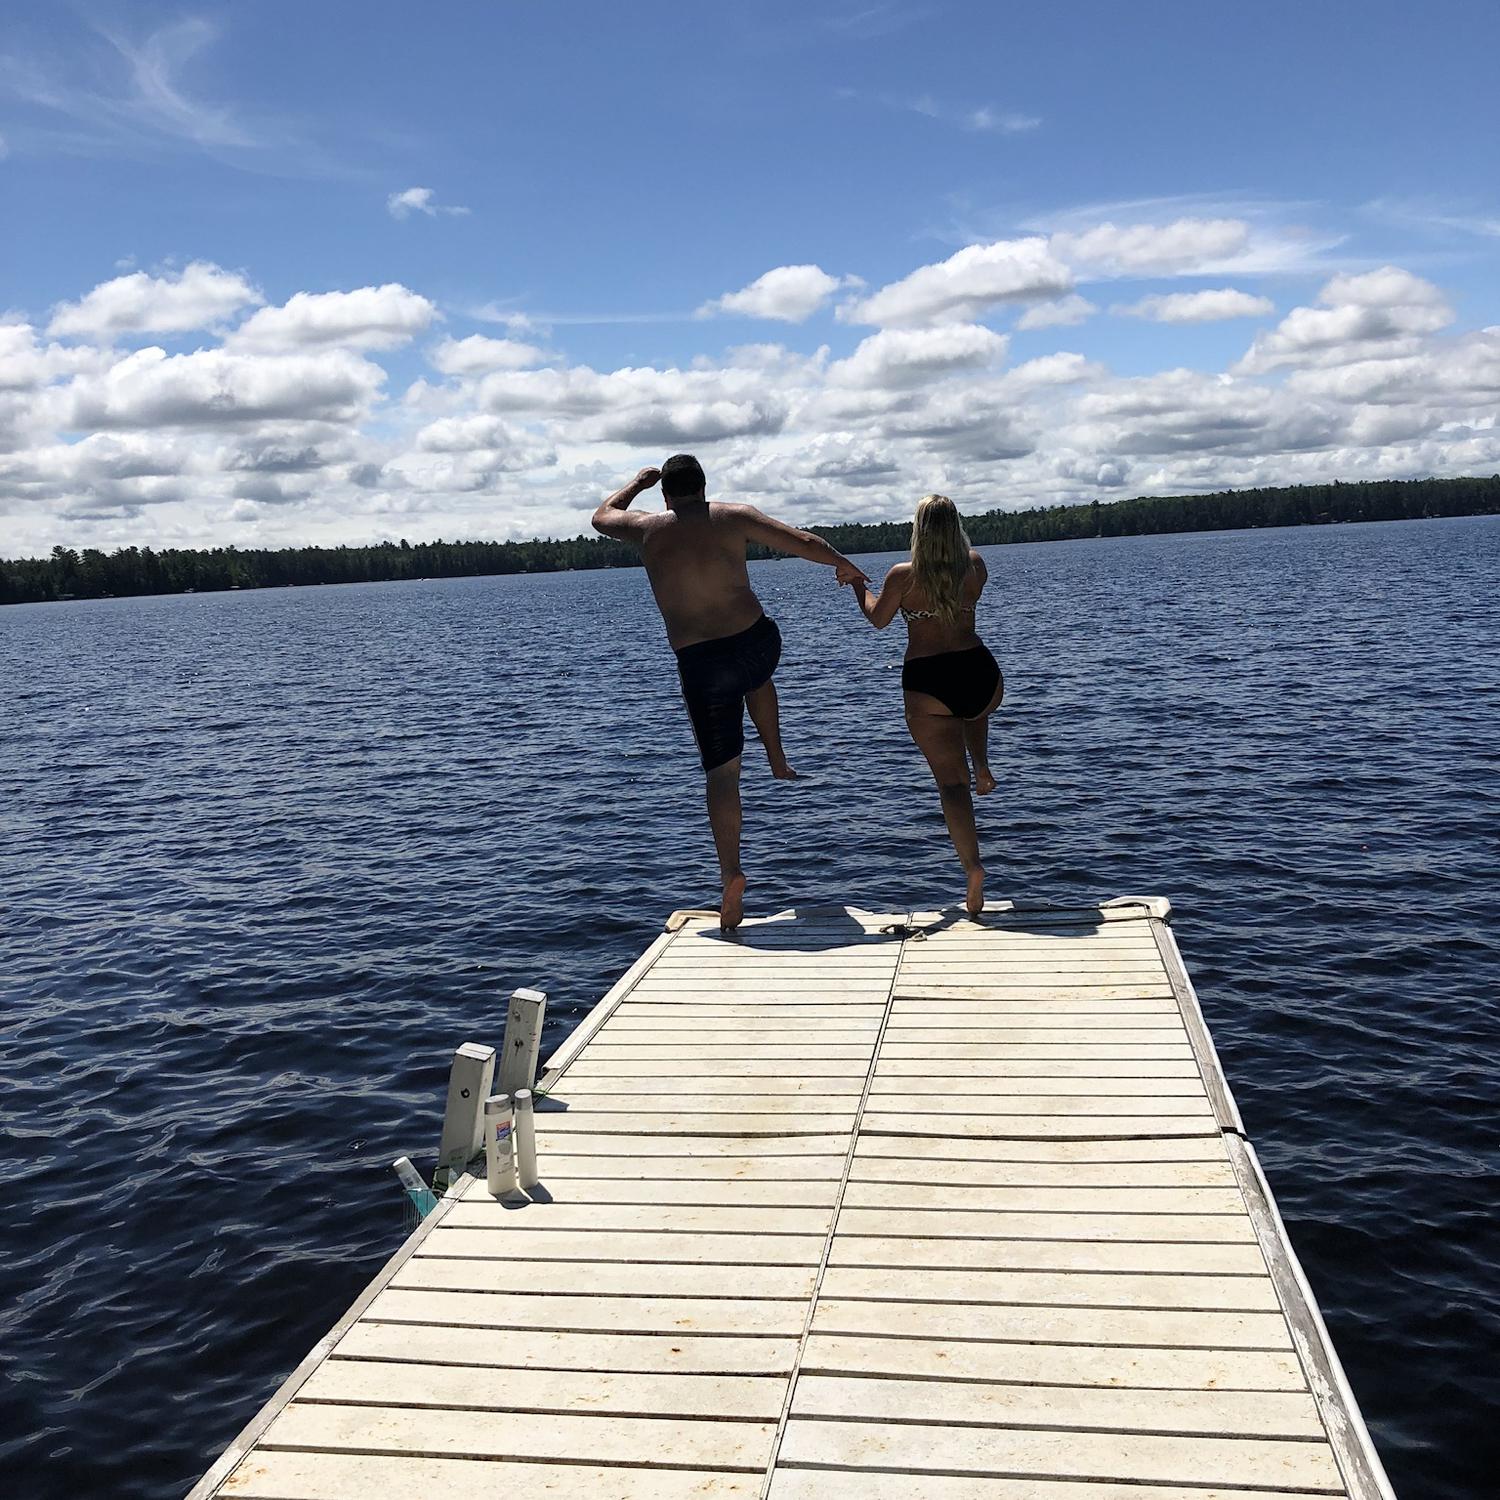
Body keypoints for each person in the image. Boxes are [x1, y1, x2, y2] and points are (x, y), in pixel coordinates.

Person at [592, 454, 867, 928]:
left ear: (666, 494)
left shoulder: (647, 528)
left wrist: (635, 482)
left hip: (701, 664)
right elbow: (801, 540)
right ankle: (777, 759)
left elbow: (601, 517)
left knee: (722, 776)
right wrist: (845, 566)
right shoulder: (733, 515)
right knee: (757, 676)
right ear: (704, 486)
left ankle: (731, 874)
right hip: (756, 644)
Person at [845, 493, 1003, 915]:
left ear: (918, 531)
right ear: (955, 527)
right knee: (972, 709)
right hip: (978, 671)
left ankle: (972, 867)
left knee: (952, 785)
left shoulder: (903, 575)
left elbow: (877, 619)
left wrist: (859, 586)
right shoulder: (975, 565)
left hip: (928, 680)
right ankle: (983, 765)